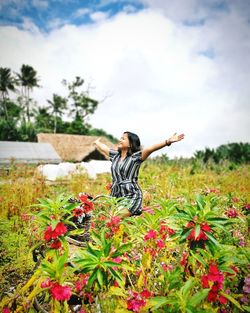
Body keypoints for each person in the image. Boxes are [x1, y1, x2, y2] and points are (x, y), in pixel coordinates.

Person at [94, 132, 184, 217]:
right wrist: (97, 142)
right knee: (112, 223)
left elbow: (150, 149)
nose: (120, 140)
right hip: (116, 196)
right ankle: (140, 212)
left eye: (123, 139)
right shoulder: (115, 156)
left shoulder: (135, 157)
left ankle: (137, 209)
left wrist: (167, 141)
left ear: (130, 144)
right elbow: (104, 148)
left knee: (115, 218)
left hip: (131, 195)